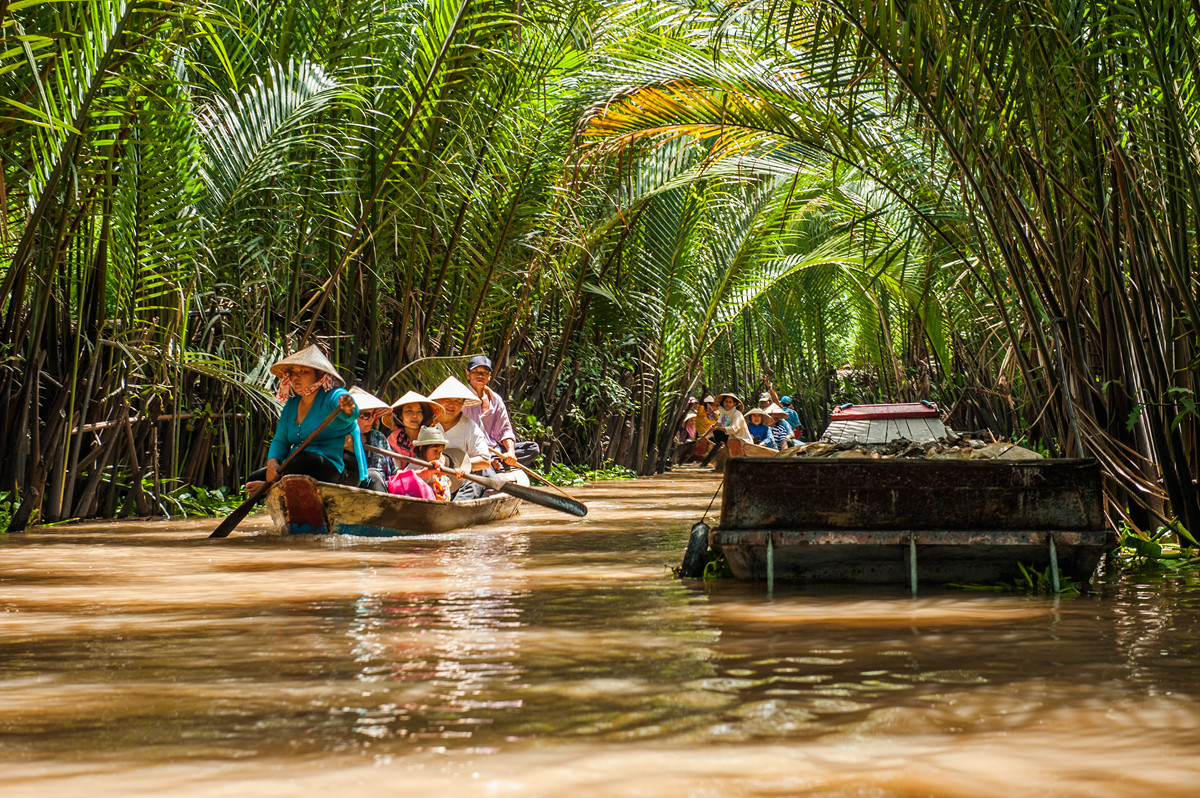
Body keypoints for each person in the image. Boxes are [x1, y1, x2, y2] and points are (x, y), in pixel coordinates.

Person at [246, 344, 365, 491]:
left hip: (338, 468)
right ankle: (274, 483)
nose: (296, 377)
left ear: (320, 374)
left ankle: (270, 487)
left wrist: (347, 407)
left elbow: (349, 412)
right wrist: (272, 464)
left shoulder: (333, 395)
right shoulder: (291, 404)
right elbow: (280, 440)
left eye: (303, 371)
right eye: (292, 372)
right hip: (297, 464)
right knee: (253, 478)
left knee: (303, 462)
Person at [461, 354, 540, 470]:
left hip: (493, 450)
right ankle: (489, 464)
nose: (480, 375)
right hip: (469, 450)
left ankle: (494, 464)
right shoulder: (460, 397)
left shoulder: (495, 399)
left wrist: (510, 451)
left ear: (489, 376)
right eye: (475, 371)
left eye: (484, 372)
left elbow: (504, 430)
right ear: (468, 374)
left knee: (532, 448)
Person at [428, 375, 494, 501]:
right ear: (439, 401)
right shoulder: (427, 424)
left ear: (462, 404)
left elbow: (485, 461)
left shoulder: (470, 427)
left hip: (459, 481)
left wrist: (458, 467)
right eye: (447, 399)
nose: (451, 405)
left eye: (457, 401)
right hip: (430, 479)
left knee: (475, 484)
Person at [346, 387, 394, 492]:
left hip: (380, 492)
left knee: (374, 476)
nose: (371, 419)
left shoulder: (379, 438)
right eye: (366, 415)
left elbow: (393, 474)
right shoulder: (338, 438)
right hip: (347, 491)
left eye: (373, 415)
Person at [409, 426, 465, 501]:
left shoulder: (439, 461)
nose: (438, 455)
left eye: (440, 451)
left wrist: (455, 472)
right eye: (435, 451)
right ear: (421, 448)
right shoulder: (415, 465)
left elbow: (441, 471)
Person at [387, 389, 444, 462]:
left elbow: (439, 457)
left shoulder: (430, 434)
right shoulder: (394, 438)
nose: (414, 416)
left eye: (419, 412)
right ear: (401, 416)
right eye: (409, 411)